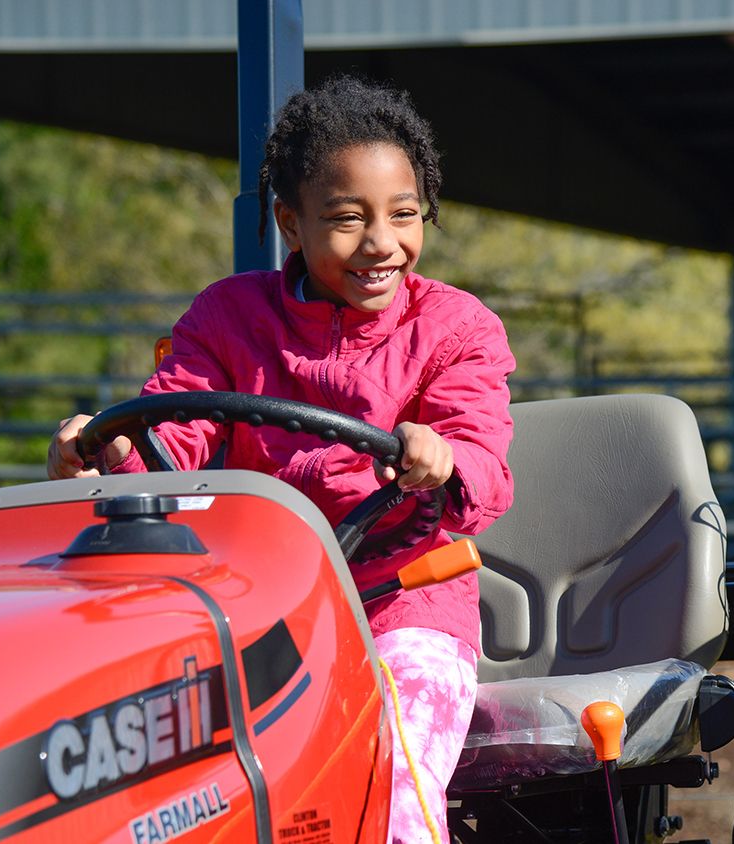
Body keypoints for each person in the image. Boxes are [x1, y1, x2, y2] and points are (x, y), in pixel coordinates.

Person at [46, 75, 514, 843]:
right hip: (255, 606)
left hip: (401, 604)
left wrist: (445, 459)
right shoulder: (229, 316)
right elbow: (178, 446)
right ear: (289, 223)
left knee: (388, 788)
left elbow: (485, 467)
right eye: (345, 219)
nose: (381, 243)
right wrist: (112, 448)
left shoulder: (457, 329)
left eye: (403, 216)